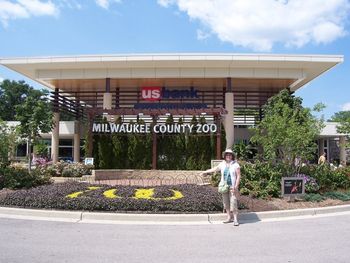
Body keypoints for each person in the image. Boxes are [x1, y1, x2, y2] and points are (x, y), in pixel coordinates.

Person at [201, 149, 241, 226]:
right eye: (227, 155)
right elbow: (214, 169)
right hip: (224, 186)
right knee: (226, 202)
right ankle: (229, 217)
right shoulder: (222, 164)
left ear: (232, 156)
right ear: (225, 156)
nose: (228, 156)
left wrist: (236, 186)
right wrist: (205, 171)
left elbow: (238, 175)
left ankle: (235, 219)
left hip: (232, 187)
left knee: (233, 202)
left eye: (230, 155)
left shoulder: (235, 164)